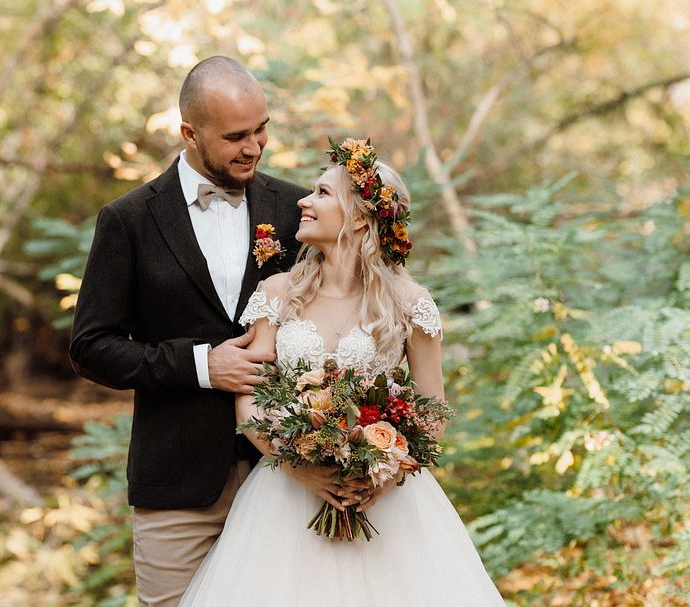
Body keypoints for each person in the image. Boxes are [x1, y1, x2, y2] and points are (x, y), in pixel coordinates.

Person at [179, 138, 505, 605]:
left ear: (358, 217)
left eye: (322, 193)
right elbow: (248, 398)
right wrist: (300, 468)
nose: (303, 202)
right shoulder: (277, 291)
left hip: (387, 504)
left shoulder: (410, 304)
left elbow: (433, 412)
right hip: (284, 500)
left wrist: (383, 475)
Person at [69, 56, 308, 607]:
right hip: (176, 489)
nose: (254, 146)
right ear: (189, 133)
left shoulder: (297, 211)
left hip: (285, 476)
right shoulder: (127, 220)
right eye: (235, 136)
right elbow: (91, 347)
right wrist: (202, 366)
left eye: (261, 129)